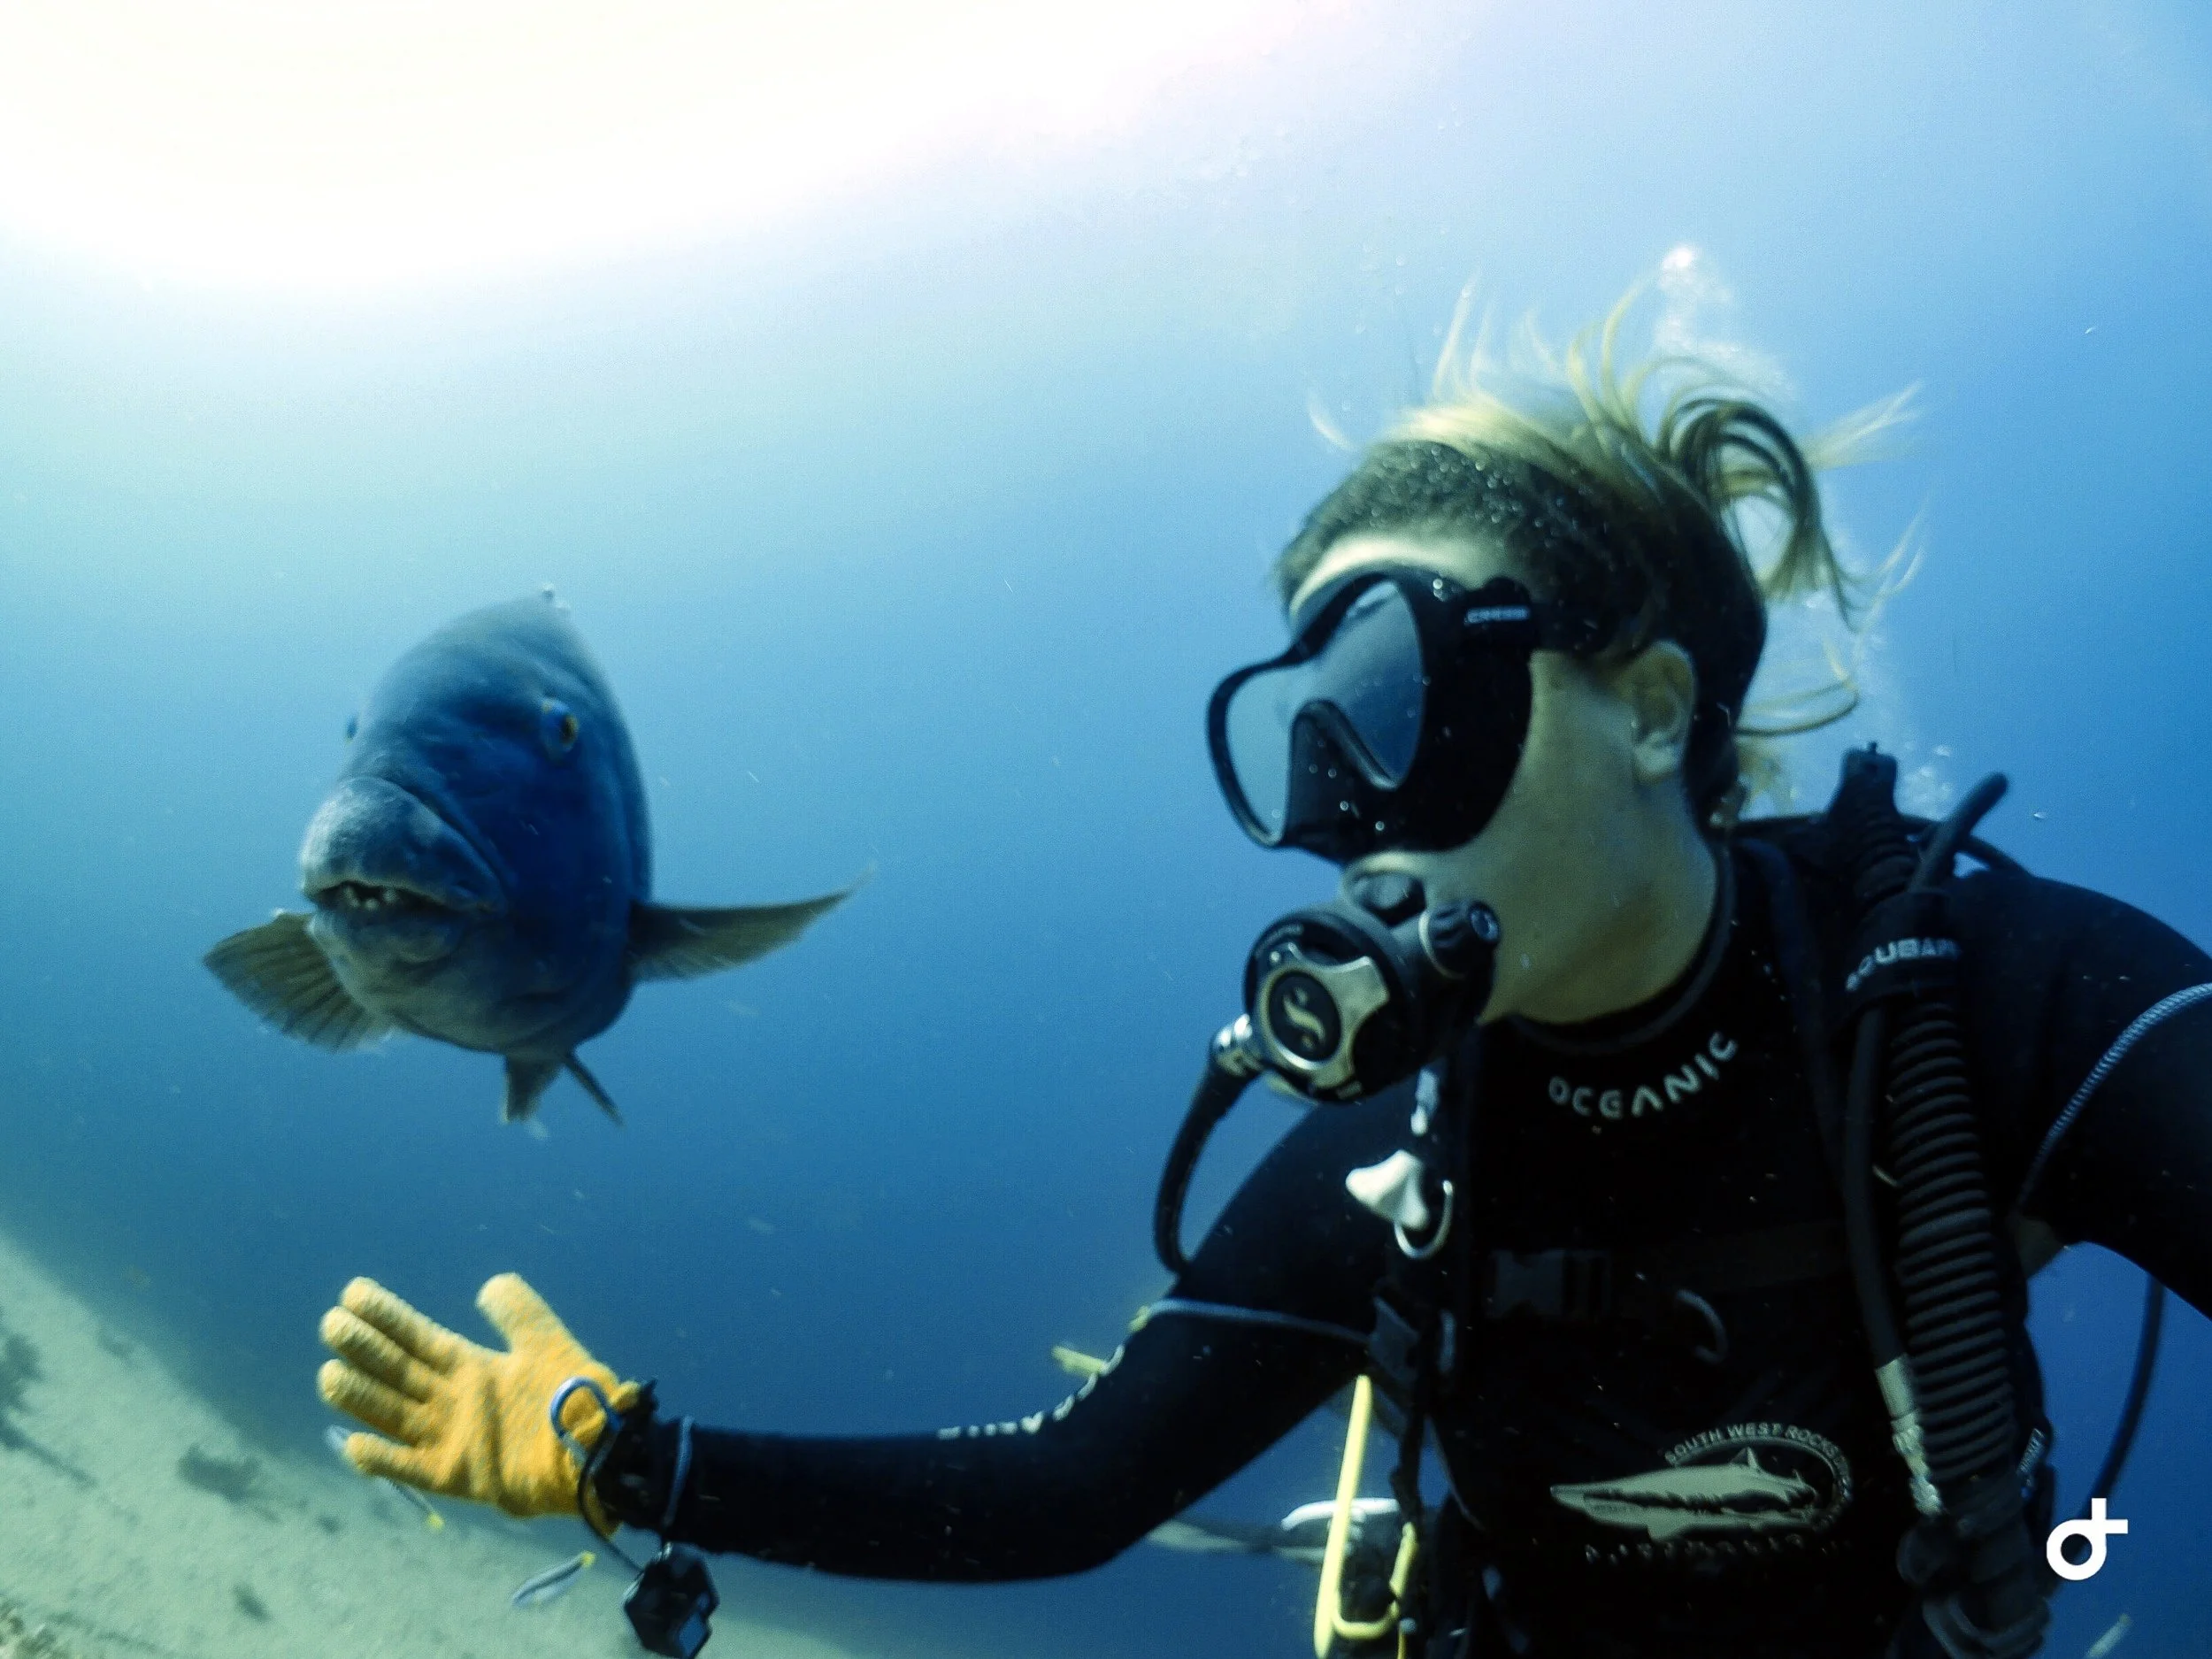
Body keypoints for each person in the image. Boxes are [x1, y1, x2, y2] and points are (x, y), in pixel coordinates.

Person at [315, 297, 2212, 1659]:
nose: (1350, 817)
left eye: (1392, 699)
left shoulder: (1972, 996)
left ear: (1649, 707)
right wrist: (623, 1457)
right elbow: (1069, 1488)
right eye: (1306, 739)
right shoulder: (1408, 1153)